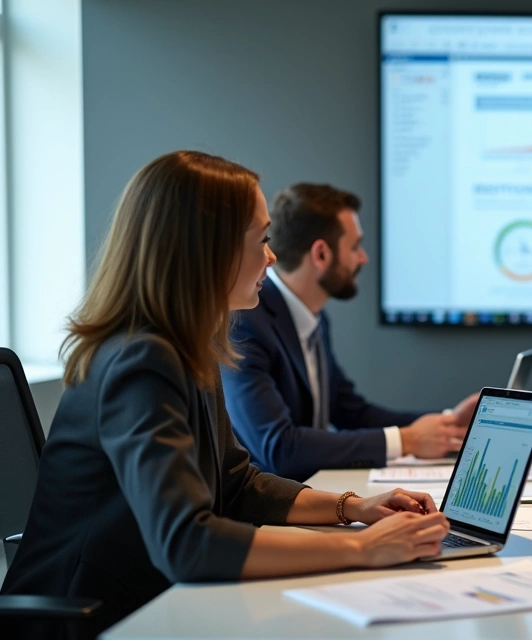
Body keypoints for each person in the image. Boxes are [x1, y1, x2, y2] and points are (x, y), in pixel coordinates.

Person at [0, 152, 450, 635]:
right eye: (262, 239)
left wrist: (353, 508)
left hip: (146, 601)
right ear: (208, 251)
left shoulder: (186, 344)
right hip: (92, 620)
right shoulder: (140, 359)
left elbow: (237, 484)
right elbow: (187, 544)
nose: (273, 256)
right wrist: (362, 548)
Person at [221, 183, 478, 481]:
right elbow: (279, 449)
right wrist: (407, 440)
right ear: (321, 254)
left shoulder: (313, 319)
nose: (363, 258)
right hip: (264, 514)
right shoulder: (245, 323)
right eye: (355, 246)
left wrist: (449, 425)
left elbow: (350, 412)